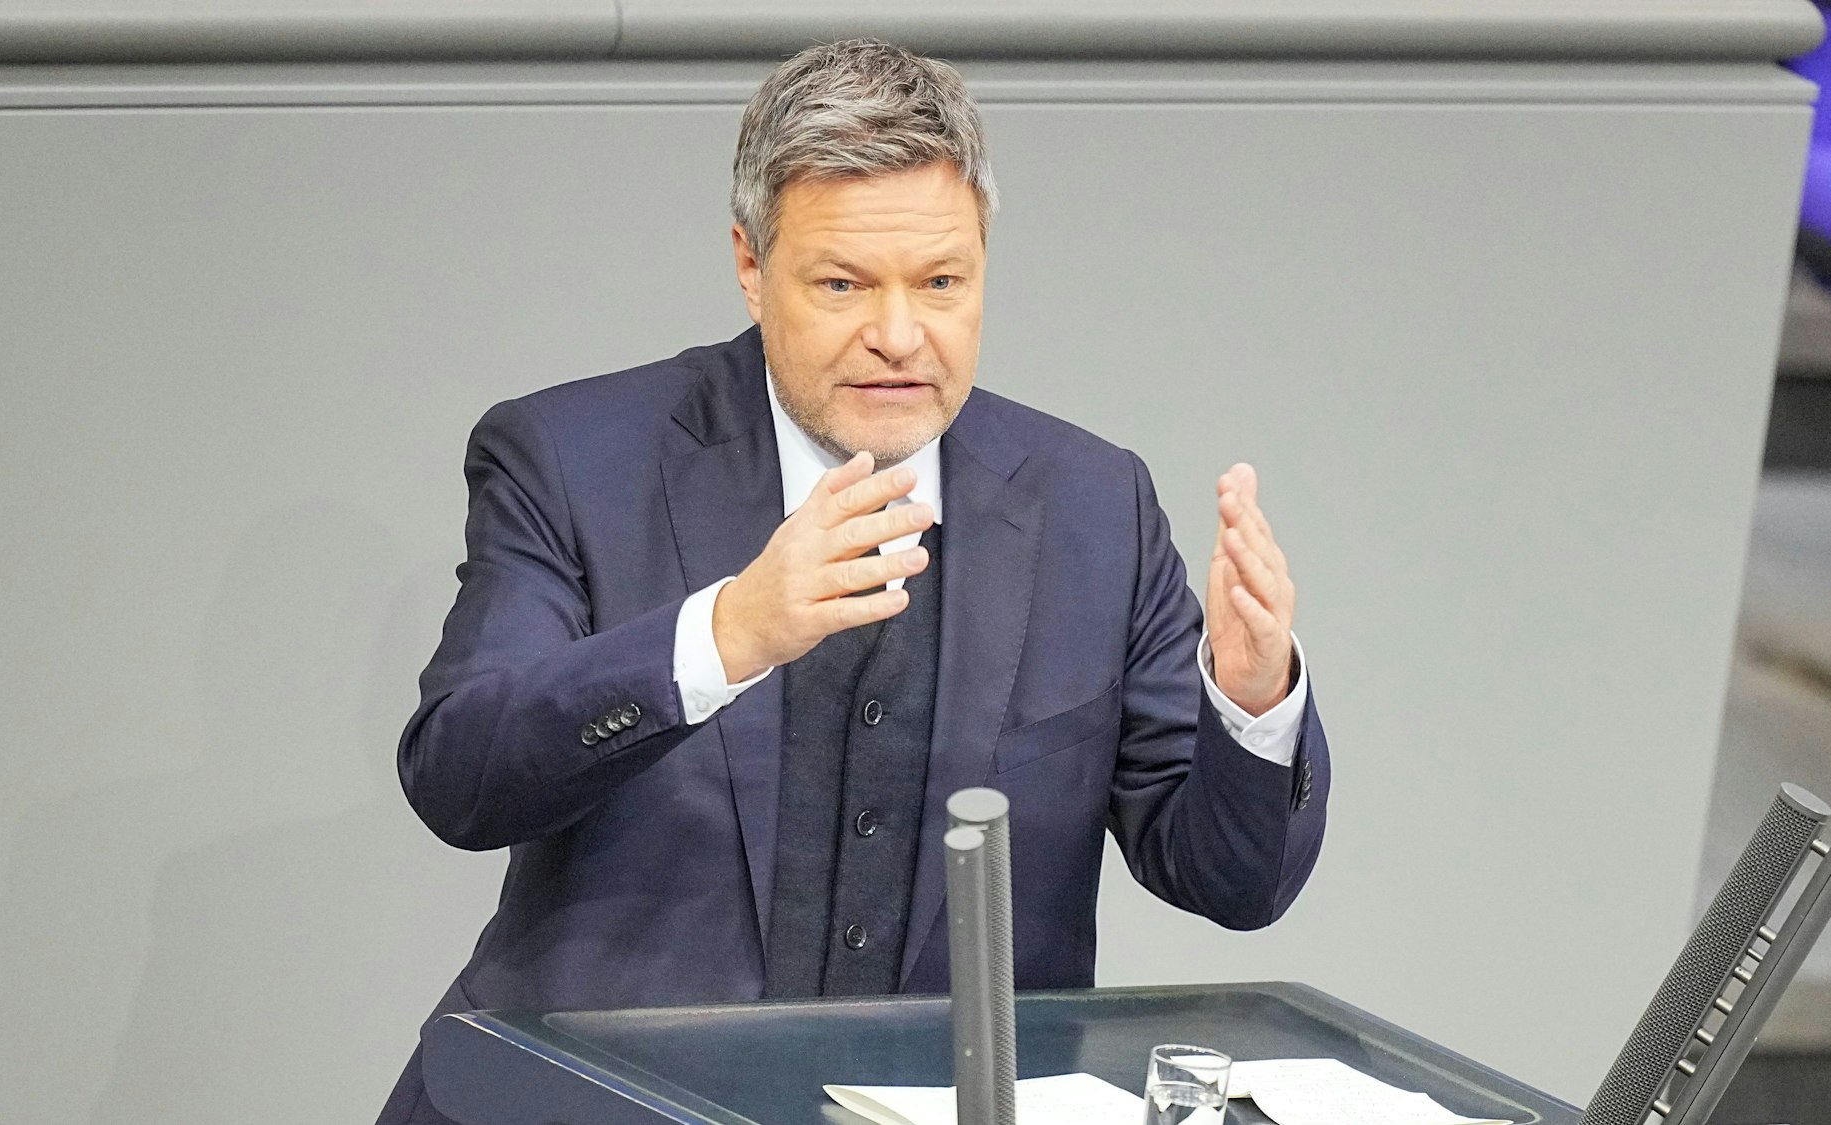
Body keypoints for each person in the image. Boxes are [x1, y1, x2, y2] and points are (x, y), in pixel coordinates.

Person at [376, 36, 1329, 1125]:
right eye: (840, 283)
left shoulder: (1089, 504)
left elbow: (1231, 883)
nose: (896, 335)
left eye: (940, 283)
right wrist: (726, 635)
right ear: (749, 265)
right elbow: (460, 773)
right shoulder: (570, 457)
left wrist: (1251, 705)